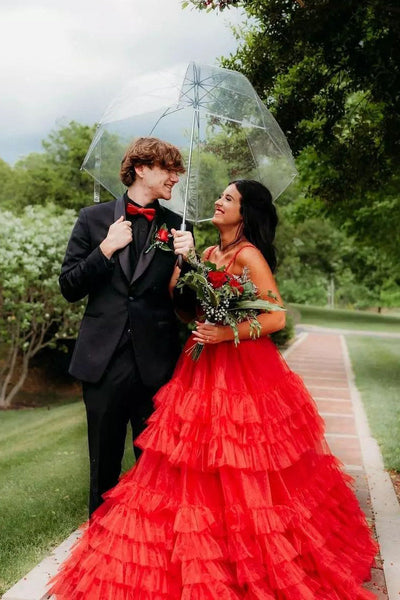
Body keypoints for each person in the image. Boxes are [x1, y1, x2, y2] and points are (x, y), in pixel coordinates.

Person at [49, 180, 377, 599]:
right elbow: (185, 307)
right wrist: (183, 272)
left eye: (228, 199)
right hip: (197, 366)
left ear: (246, 212)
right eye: (220, 196)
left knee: (238, 464)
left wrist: (226, 333)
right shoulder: (205, 253)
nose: (218, 202)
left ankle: (245, 553)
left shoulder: (248, 255)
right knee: (191, 464)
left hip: (239, 369)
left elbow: (274, 317)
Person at [59, 137, 194, 515]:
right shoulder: (93, 219)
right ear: (141, 168)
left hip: (157, 366)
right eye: (169, 170)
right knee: (103, 467)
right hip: (102, 363)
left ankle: (148, 555)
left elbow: (186, 307)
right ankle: (98, 550)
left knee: (156, 470)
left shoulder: (178, 228)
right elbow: (69, 285)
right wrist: (104, 250)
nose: (175, 179)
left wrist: (190, 264)